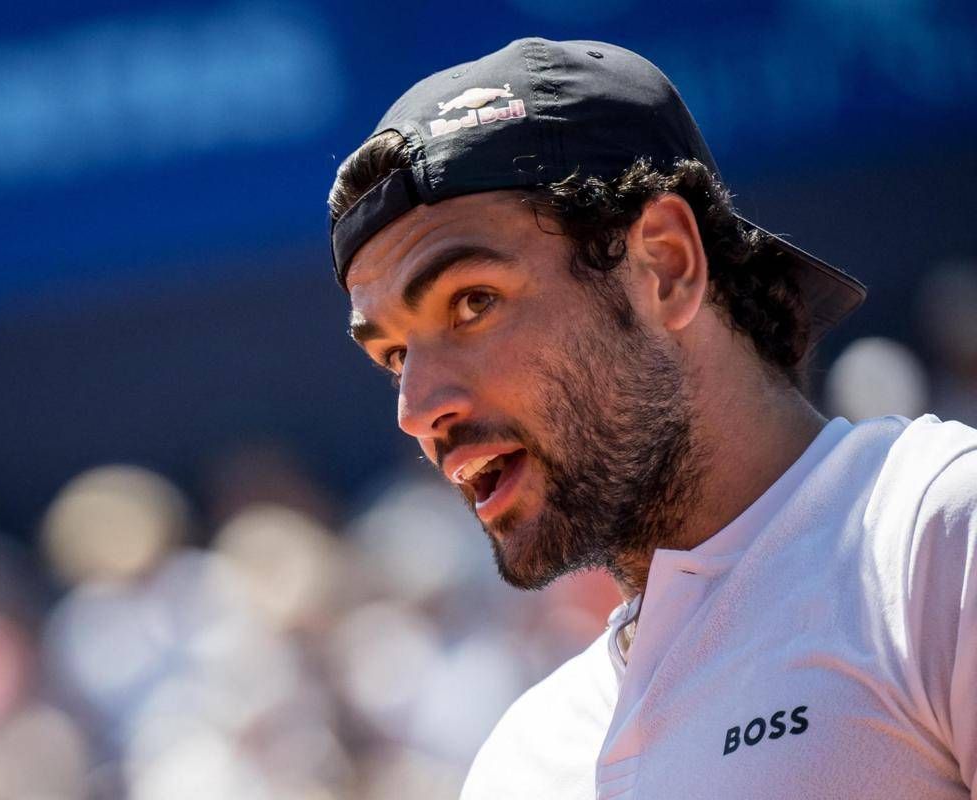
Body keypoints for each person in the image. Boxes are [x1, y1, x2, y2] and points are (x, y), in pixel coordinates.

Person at [326, 38, 976, 799]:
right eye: (396, 355)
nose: (416, 410)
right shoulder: (522, 760)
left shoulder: (938, 535)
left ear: (666, 265)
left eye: (473, 302)